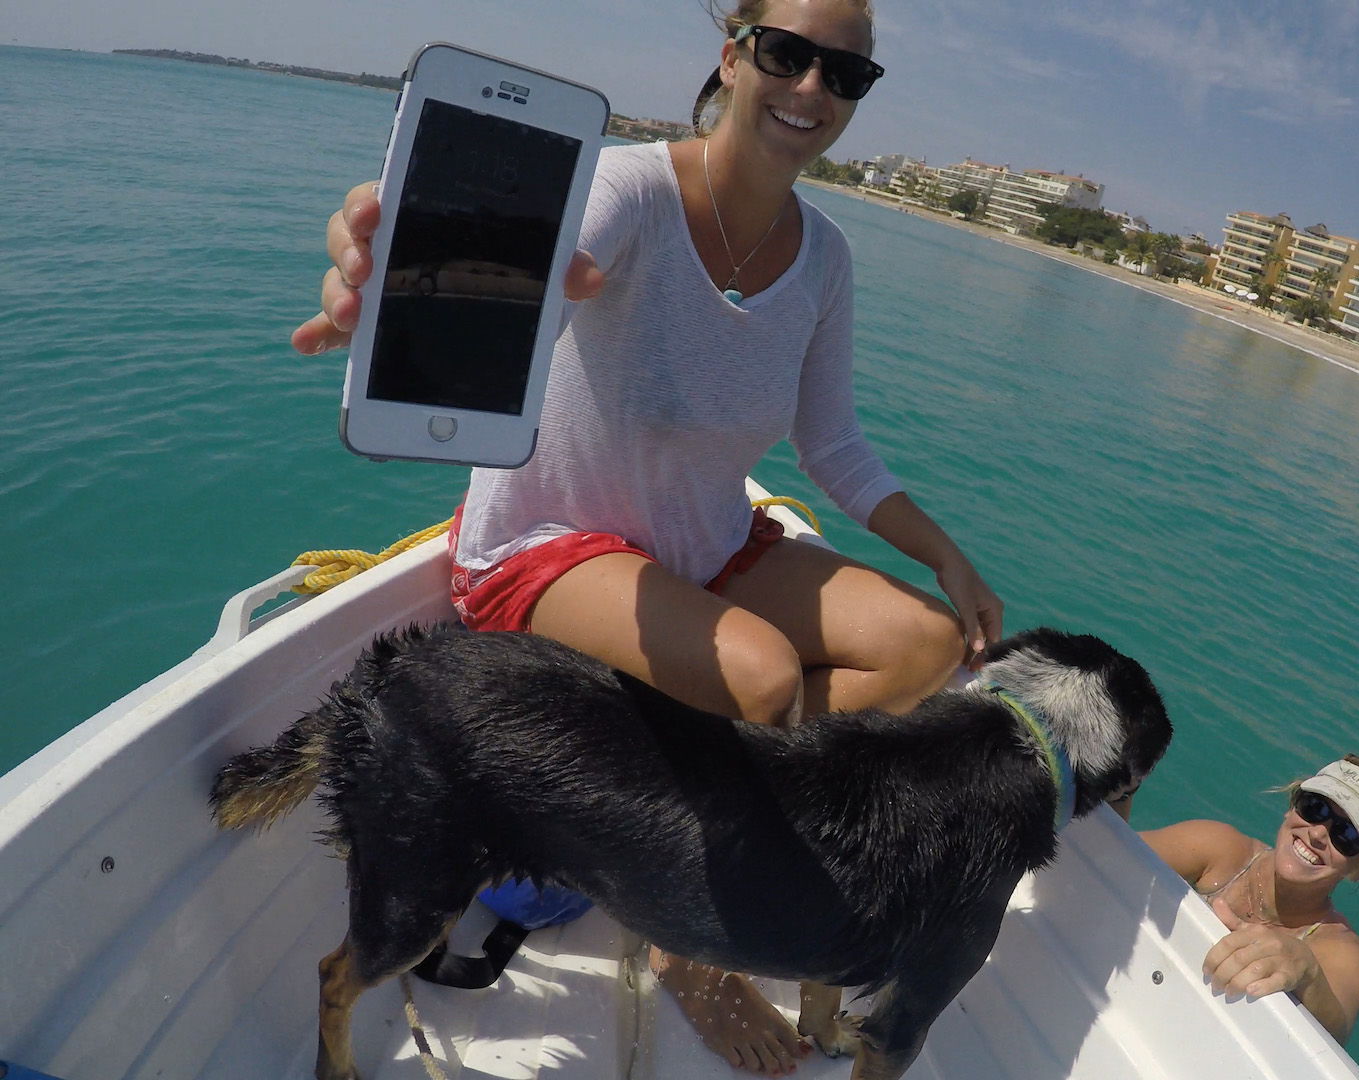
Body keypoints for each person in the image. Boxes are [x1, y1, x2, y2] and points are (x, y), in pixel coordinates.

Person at [291, 1, 1001, 1073]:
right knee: (763, 677)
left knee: (926, 644)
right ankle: (691, 948)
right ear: (734, 56)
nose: (812, 89)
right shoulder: (627, 190)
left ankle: (719, 822)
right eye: (788, 54)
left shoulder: (826, 256)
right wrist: (400, 260)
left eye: (845, 74)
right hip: (549, 541)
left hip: (705, 543)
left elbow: (834, 444)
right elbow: (524, 272)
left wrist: (944, 554)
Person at [1129, 755, 1359, 1044]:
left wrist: (1308, 972)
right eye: (1315, 807)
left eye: (1346, 835)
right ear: (1292, 806)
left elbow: (1334, 1034)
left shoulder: (1341, 952)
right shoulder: (1218, 850)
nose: (1317, 833)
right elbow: (1115, 853)